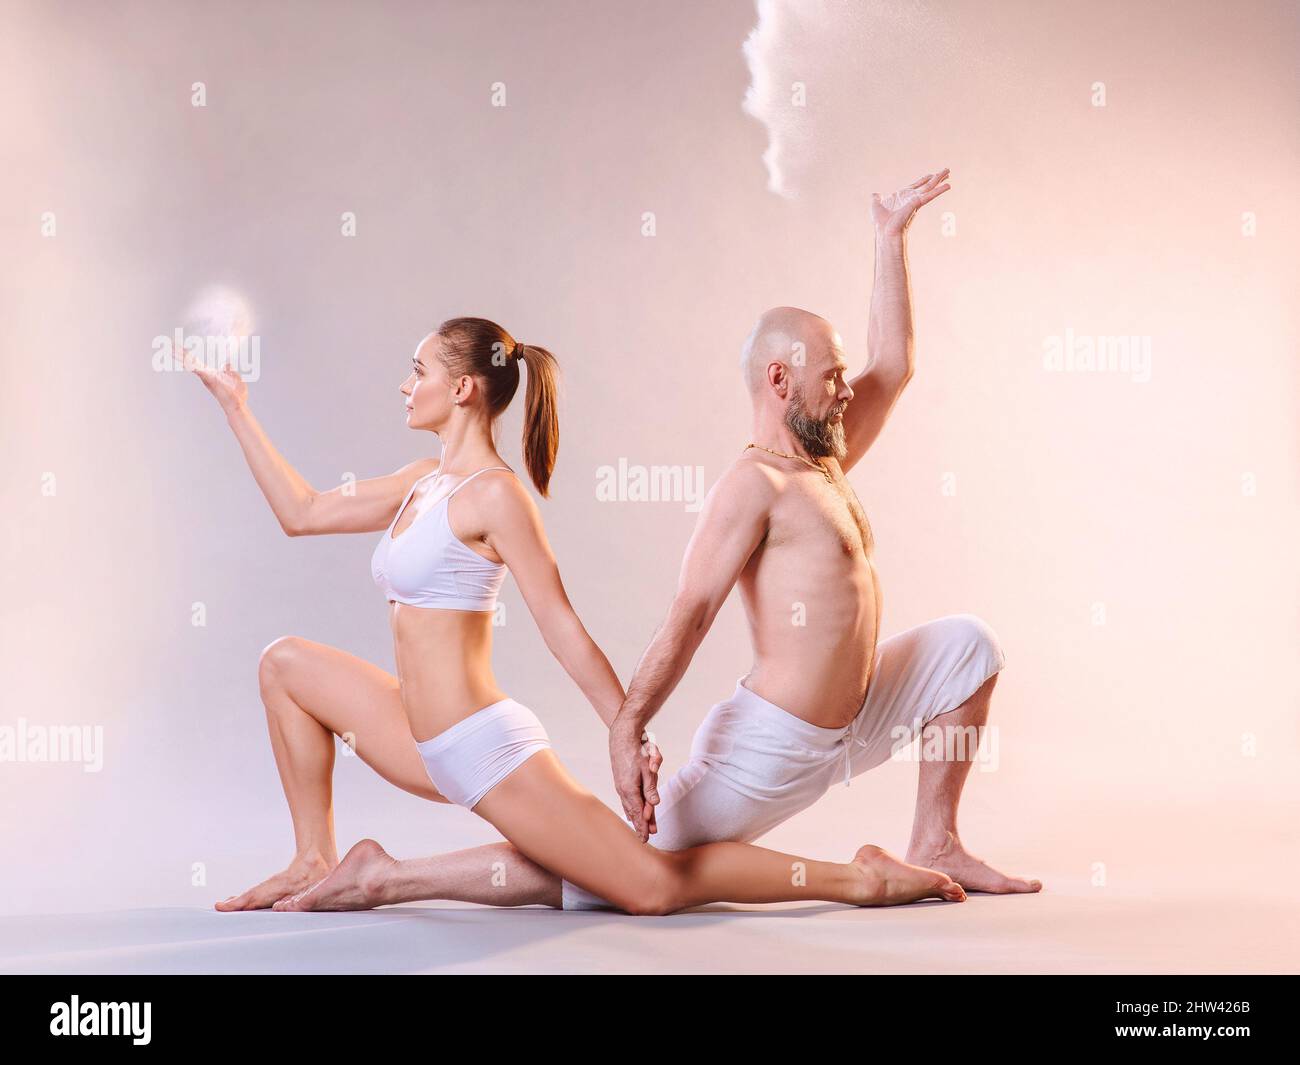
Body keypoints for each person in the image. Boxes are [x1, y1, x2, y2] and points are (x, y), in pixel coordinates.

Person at [277, 170, 1040, 915]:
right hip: (770, 748)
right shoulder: (756, 485)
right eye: (832, 374)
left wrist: (888, 235)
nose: (847, 387)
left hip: (860, 712)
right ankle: (390, 876)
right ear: (780, 379)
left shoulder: (826, 458)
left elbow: (897, 364)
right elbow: (690, 613)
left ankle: (935, 839)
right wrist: (628, 725)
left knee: (968, 646)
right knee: (625, 873)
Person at [191, 315, 965, 915]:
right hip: (414, 735)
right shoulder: (420, 481)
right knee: (283, 663)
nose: (405, 384)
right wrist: (236, 409)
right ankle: (315, 857)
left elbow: (561, 624)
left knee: (651, 886)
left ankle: (859, 878)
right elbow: (300, 511)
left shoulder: (495, 495)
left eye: (417, 369)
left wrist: (624, 732)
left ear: (463, 388)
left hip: (483, 748)